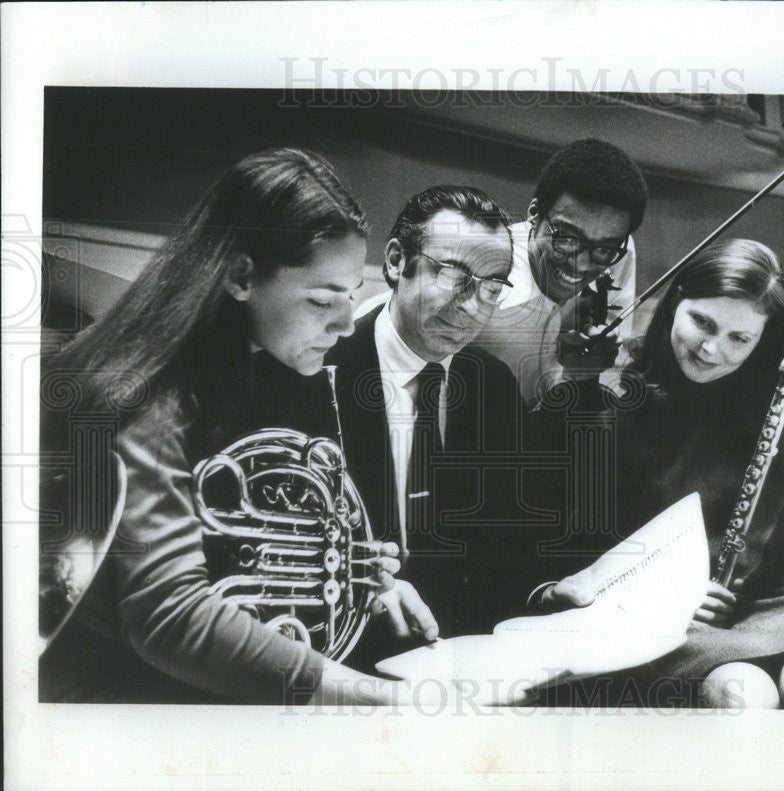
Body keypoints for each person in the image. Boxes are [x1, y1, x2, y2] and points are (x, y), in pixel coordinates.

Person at [38, 148, 436, 705]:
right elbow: (171, 616)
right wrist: (370, 695)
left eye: (351, 296)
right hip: (115, 704)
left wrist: (358, 576)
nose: (347, 324)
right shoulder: (146, 391)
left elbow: (234, 541)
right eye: (324, 299)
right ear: (240, 275)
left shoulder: (271, 367)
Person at [538, 238, 784, 711]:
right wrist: (659, 596)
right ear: (675, 304)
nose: (711, 349)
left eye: (739, 339)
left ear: (763, 340)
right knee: (743, 696)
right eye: (702, 322)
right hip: (671, 615)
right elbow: (572, 557)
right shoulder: (613, 398)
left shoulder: (780, 396)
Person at [321, 184, 546, 660]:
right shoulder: (319, 371)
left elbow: (511, 543)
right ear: (396, 262)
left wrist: (543, 591)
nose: (471, 307)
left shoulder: (493, 385)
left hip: (465, 653)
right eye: (453, 275)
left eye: (490, 288)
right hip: (347, 650)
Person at [355, 138, 649, 408]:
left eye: (603, 250)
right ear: (534, 213)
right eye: (566, 239)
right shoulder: (487, 287)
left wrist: (581, 374)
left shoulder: (618, 252)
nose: (582, 264)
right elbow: (387, 321)